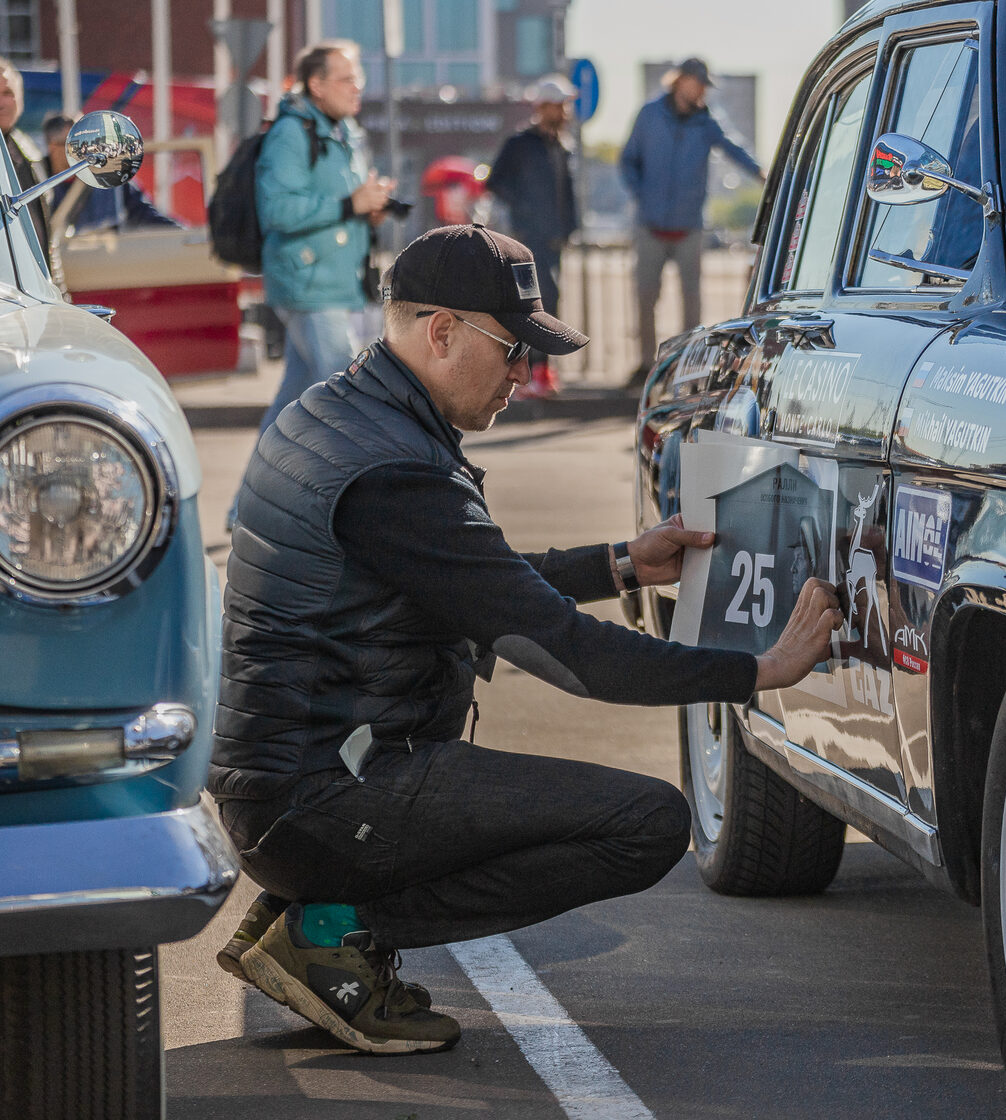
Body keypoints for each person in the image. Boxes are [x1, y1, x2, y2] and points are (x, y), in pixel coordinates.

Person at [210, 223, 843, 1054]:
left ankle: (319, 909)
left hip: (292, 785)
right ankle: (334, 927)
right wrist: (759, 668)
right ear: (442, 332)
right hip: (330, 794)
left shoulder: (336, 414)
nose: (525, 375)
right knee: (646, 822)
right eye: (513, 351)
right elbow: (569, 653)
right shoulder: (395, 473)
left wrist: (620, 563)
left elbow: (469, 575)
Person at [229, 39, 395, 530]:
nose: (357, 87)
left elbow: (346, 200)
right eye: (346, 79)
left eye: (359, 78)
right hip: (307, 283)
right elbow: (276, 211)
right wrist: (350, 205)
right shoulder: (291, 133)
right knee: (353, 398)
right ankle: (364, 516)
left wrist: (372, 206)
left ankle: (244, 509)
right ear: (316, 83)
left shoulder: (346, 132)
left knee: (291, 410)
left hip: (336, 281)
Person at [620, 57, 762, 382]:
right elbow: (628, 160)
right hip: (650, 224)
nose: (701, 90)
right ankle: (645, 365)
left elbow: (734, 149)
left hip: (689, 226)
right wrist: (641, 194)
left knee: (692, 299)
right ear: (680, 81)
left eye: (704, 85)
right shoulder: (649, 115)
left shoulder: (705, 122)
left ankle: (686, 366)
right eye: (697, 83)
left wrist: (763, 173)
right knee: (645, 295)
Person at [486, 75, 580, 397]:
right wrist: (524, 209)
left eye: (566, 105)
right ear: (542, 107)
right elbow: (495, 181)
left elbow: (567, 192)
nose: (564, 112)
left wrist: (571, 226)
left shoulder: (562, 146)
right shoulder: (520, 144)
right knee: (537, 302)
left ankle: (541, 370)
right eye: (558, 106)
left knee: (549, 302)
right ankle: (529, 372)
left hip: (554, 239)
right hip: (527, 239)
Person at [42, 114, 178, 234]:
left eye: (89, 141)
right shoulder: (37, 182)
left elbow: (144, 214)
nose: (87, 150)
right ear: (53, 148)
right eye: (76, 144)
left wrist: (182, 234)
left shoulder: (109, 177)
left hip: (103, 256)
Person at [0, 60, 54, 279]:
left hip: (35, 289)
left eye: (7, 93)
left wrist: (57, 293)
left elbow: (43, 231)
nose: (1, 103)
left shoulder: (27, 149)